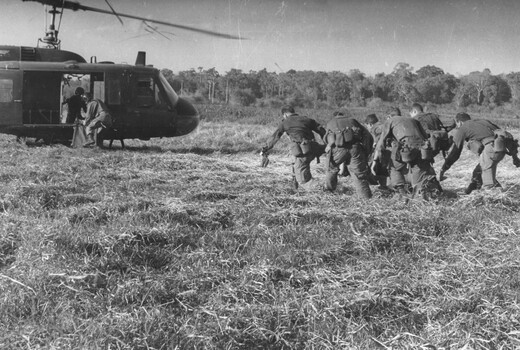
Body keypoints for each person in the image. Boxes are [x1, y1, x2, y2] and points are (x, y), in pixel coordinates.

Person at [439, 112, 519, 194]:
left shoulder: (463, 128)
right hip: (501, 149)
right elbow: (503, 135)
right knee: (478, 172)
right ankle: (470, 192)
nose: (457, 126)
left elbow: (455, 152)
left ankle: (493, 197)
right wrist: (515, 157)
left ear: (459, 121)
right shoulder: (483, 122)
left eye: (457, 124)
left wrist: (444, 168)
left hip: (490, 150)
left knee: (489, 185)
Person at [372, 112, 442, 200]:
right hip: (421, 149)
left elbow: (380, 145)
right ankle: (421, 194)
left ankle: (401, 192)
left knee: (393, 167)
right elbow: (425, 137)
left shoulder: (390, 121)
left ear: (389, 117)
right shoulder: (413, 120)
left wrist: (375, 162)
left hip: (406, 150)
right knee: (418, 169)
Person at [261, 105, 326, 189]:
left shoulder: (285, 122)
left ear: (285, 114)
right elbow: (322, 131)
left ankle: (322, 189)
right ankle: (296, 189)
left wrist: (265, 149)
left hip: (303, 152)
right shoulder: (307, 119)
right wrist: (328, 144)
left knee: (303, 180)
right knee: (296, 165)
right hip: (313, 149)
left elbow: (274, 137)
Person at [324, 111, 373, 198]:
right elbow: (368, 135)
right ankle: (366, 197)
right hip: (355, 148)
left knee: (331, 169)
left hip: (338, 150)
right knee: (358, 173)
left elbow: (326, 139)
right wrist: (366, 151)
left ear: (335, 116)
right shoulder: (352, 120)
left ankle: (329, 191)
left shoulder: (331, 122)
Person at [364, 113, 390, 189]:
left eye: (367, 126)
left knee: (377, 169)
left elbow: (378, 143)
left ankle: (384, 187)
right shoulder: (383, 126)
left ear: (370, 124)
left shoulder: (376, 129)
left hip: (382, 153)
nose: (367, 128)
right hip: (388, 152)